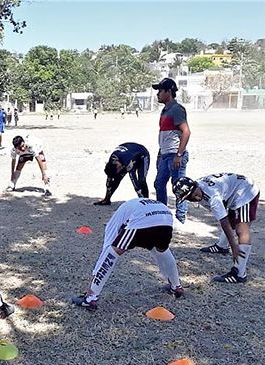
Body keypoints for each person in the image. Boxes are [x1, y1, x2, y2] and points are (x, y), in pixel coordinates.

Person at [72, 198, 183, 310]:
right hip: (166, 217)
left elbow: (108, 249)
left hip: (143, 216)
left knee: (114, 251)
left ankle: (90, 298)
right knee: (161, 250)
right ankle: (176, 286)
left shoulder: (114, 222)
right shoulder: (129, 208)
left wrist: (96, 273)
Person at [173, 174, 260, 283]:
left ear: (196, 185)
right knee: (233, 220)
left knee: (241, 228)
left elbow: (224, 221)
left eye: (195, 194)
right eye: (190, 198)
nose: (196, 198)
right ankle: (222, 246)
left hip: (245, 191)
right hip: (235, 190)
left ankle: (239, 273)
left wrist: (234, 246)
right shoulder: (200, 188)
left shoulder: (212, 196)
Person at [152, 77, 191, 224]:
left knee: (179, 186)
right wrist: (160, 153)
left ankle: (181, 217)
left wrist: (179, 155)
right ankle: (162, 213)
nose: (158, 94)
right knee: (159, 183)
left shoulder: (177, 109)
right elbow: (164, 134)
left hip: (175, 154)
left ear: (169, 91)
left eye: (160, 91)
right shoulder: (165, 111)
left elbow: (186, 132)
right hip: (165, 154)